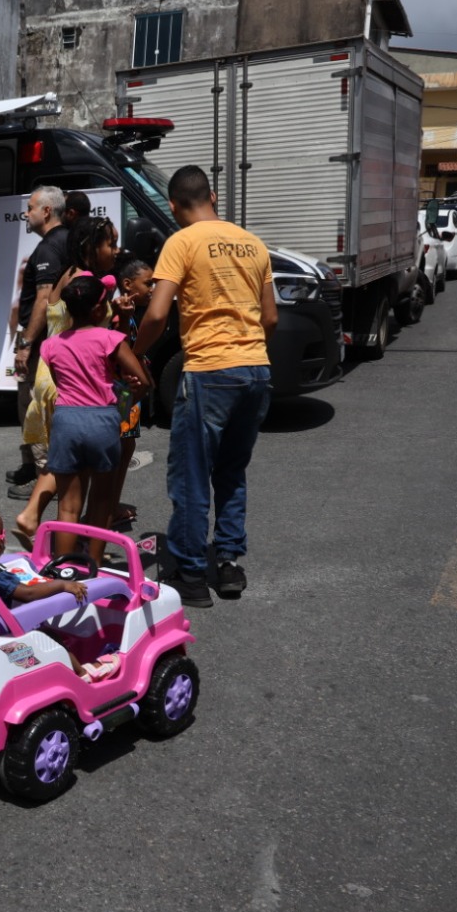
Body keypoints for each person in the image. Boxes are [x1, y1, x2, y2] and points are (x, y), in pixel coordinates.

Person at [133, 165, 277, 607]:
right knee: (231, 471)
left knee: (191, 476)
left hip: (209, 371)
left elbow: (158, 314)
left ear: (173, 205)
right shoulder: (253, 243)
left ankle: (191, 574)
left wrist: (134, 353)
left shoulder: (181, 242)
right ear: (212, 196)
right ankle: (229, 564)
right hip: (256, 370)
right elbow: (270, 317)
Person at [14, 216, 120, 546]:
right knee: (76, 462)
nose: (116, 250)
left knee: (65, 458)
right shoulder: (88, 283)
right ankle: (63, 539)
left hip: (53, 372)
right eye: (111, 243)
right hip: (72, 379)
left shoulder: (68, 275)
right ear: (92, 247)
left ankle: (34, 516)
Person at [39, 274, 151, 557]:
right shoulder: (111, 339)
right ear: (101, 309)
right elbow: (142, 381)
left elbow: (59, 383)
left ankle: (63, 569)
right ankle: (94, 565)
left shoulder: (51, 344)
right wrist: (124, 405)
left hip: (66, 421)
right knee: (101, 502)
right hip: (103, 420)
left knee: (67, 505)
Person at [8, 185, 68, 500]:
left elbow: (44, 299)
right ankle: (34, 467)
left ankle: (46, 478)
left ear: (46, 211)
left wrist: (27, 343)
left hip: (43, 343)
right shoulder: (65, 241)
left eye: (30, 208)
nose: (26, 214)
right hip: (54, 340)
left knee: (37, 407)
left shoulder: (49, 247)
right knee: (33, 405)